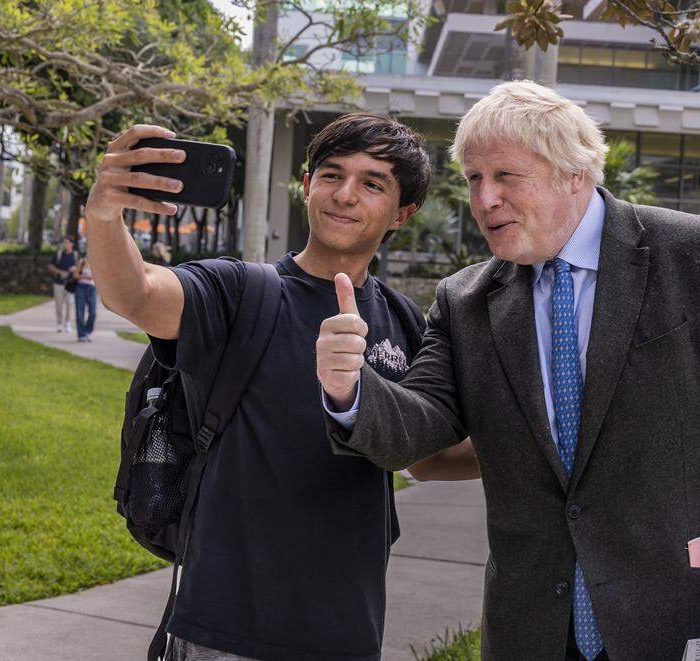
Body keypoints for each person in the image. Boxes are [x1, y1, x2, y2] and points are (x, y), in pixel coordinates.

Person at [317, 81, 700, 661]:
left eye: (505, 176)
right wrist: (350, 390)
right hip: (533, 630)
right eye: (473, 178)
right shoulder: (465, 300)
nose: (484, 199)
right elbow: (422, 425)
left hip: (692, 613)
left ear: (574, 173)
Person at [86, 115, 469, 661]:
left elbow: (427, 455)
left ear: (401, 214)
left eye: (373, 183)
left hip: (347, 629)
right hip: (224, 627)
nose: (345, 195)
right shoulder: (240, 291)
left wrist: (546, 457)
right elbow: (138, 293)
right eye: (331, 175)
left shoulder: (406, 322)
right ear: (308, 185)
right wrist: (103, 214)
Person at [46, 235, 79, 333]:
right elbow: (50, 266)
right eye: (64, 242)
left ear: (72, 244)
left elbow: (80, 266)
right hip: (58, 283)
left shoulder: (76, 255)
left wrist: (75, 269)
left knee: (70, 304)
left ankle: (68, 323)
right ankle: (59, 323)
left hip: (71, 284)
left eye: (67, 242)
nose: (65, 244)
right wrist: (59, 272)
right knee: (59, 305)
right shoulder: (59, 254)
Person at [73, 255, 97, 342]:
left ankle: (87, 332)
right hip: (81, 288)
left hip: (92, 289)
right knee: (80, 312)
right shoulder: (82, 261)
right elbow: (75, 275)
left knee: (93, 312)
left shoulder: (97, 261)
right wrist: (85, 277)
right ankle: (81, 335)